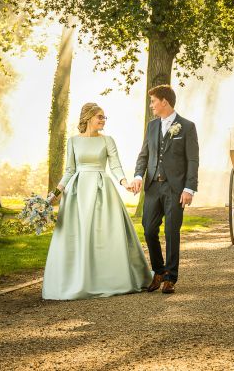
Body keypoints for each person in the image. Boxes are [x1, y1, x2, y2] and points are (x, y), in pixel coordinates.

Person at [42, 103, 152, 300]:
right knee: (79, 233)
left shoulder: (107, 140)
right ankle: (79, 280)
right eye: (100, 117)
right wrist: (55, 194)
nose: (103, 120)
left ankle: (109, 278)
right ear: (88, 118)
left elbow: (115, 165)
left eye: (104, 117)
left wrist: (124, 183)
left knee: (105, 233)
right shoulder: (73, 141)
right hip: (78, 193)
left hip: (102, 189)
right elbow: (69, 170)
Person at [130, 85, 199, 294]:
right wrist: (138, 175)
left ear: (164, 102)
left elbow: (193, 160)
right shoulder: (151, 126)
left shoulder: (187, 126)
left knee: (171, 232)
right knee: (149, 229)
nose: (151, 105)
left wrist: (189, 188)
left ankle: (170, 277)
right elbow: (144, 155)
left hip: (175, 188)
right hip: (152, 187)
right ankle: (158, 271)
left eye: (153, 101)